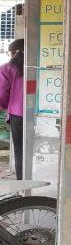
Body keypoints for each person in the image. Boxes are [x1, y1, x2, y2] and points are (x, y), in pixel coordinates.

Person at [0, 39, 24, 179]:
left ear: (15, 52)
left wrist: (3, 106)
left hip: (17, 114)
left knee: (20, 150)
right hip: (39, 113)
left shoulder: (6, 68)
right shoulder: (37, 66)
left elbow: (2, 93)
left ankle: (22, 182)